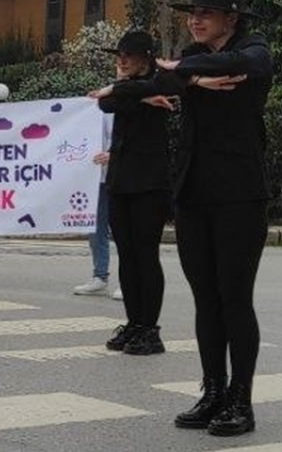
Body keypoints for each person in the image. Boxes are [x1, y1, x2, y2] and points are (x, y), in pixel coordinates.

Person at [160, 0, 273, 437]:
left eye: (207, 12)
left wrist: (187, 71)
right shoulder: (192, 56)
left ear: (232, 18)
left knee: (234, 299)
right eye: (193, 12)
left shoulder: (254, 49)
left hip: (239, 195)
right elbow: (157, 76)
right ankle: (212, 391)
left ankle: (240, 401)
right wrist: (192, 75)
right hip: (193, 193)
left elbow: (245, 63)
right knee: (206, 300)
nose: (196, 18)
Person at [88, 30, 184, 356]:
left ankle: (149, 327)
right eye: (119, 56)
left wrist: (128, 90)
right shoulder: (133, 90)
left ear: (145, 57)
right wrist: (131, 93)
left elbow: (153, 88)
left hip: (150, 183)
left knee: (146, 254)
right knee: (126, 255)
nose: (122, 60)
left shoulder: (162, 85)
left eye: (128, 55)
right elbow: (105, 103)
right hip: (120, 181)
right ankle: (133, 322)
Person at [73, 115, 116, 298]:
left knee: (123, 231)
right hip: (94, 179)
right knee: (96, 229)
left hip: (118, 177)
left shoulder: (125, 108)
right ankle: (100, 276)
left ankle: (129, 279)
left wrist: (114, 154)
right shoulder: (95, 110)